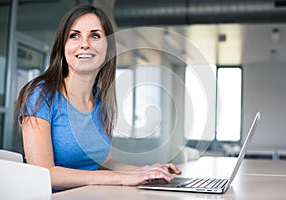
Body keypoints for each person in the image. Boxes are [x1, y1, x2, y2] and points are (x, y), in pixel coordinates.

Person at [15, 4, 181, 191]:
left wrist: (144, 172)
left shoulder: (100, 100)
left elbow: (104, 162)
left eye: (95, 36)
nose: (84, 44)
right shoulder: (41, 94)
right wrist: (119, 178)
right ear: (63, 46)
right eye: (74, 35)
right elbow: (43, 172)